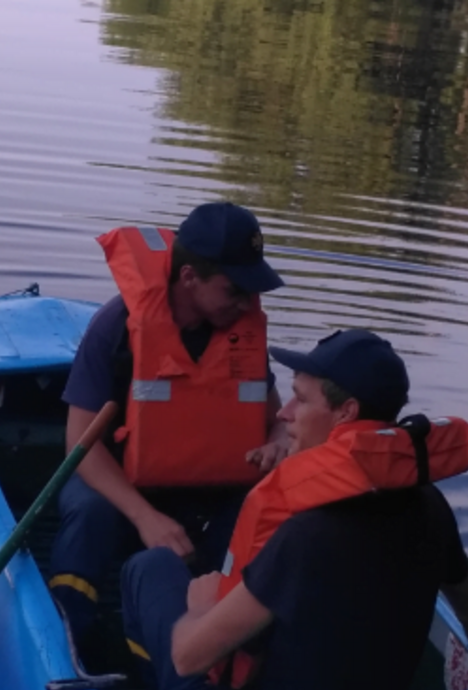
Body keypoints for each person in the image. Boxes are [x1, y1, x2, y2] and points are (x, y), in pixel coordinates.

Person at [119, 328, 468, 690]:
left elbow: (190, 657)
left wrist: (201, 608)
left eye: (300, 399)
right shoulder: (430, 505)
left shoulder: (304, 532)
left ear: (345, 413)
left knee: (151, 568)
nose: (285, 414)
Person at [47, 201, 289, 660]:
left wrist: (278, 441)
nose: (245, 303)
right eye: (234, 289)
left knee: (263, 512)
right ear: (189, 278)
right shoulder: (115, 327)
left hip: (207, 487)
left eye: (251, 290)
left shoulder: (240, 334)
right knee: (90, 515)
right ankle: (71, 640)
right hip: (120, 482)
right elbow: (79, 443)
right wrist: (144, 517)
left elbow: (275, 420)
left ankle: (227, 648)